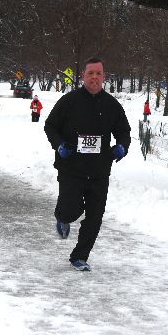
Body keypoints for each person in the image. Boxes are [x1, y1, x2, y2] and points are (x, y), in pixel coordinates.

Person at [44, 57, 131, 271]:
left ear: (104, 76)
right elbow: (50, 126)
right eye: (90, 73)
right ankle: (63, 218)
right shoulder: (69, 101)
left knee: (95, 216)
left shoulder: (112, 105)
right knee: (70, 210)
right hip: (71, 168)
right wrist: (59, 145)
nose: (94, 77)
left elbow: (124, 132)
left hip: (99, 170)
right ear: (83, 75)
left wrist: (122, 146)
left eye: (98, 73)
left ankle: (80, 256)